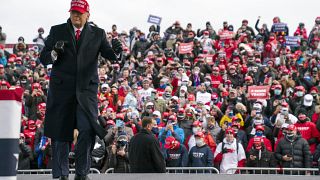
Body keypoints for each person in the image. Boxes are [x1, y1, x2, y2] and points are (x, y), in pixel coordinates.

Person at [40, 0, 123, 179]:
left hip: (86, 91)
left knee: (86, 130)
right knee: (61, 133)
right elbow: (43, 57)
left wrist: (118, 53)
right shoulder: (57, 30)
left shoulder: (98, 33)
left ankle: (82, 173)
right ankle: (62, 174)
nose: (76, 15)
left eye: (79, 12)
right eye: (73, 12)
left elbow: (110, 55)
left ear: (88, 15)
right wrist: (54, 53)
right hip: (62, 90)